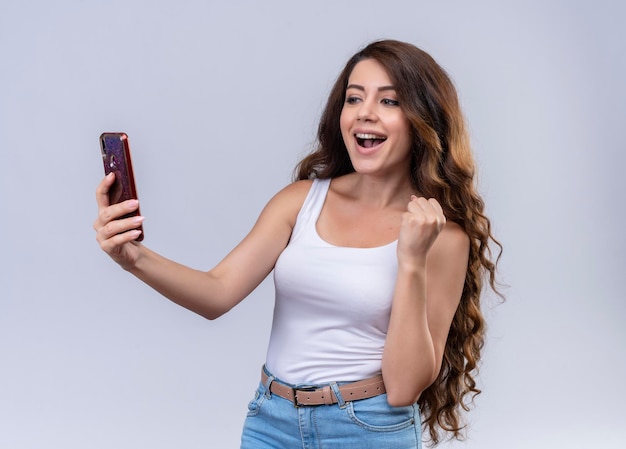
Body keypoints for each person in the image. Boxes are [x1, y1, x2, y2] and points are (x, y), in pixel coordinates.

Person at [94, 39, 501, 448]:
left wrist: (411, 261)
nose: (365, 113)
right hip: (272, 422)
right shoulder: (302, 201)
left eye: (389, 101)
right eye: (354, 98)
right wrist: (133, 257)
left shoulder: (442, 236)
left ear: (422, 119)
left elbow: (404, 388)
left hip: (369, 428)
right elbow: (217, 292)